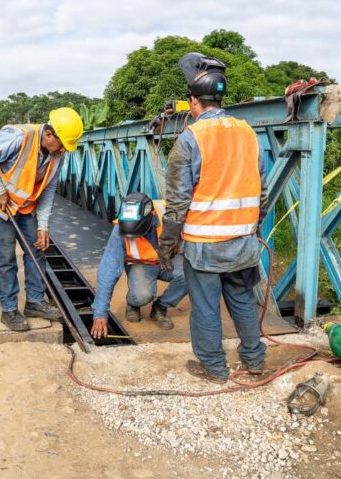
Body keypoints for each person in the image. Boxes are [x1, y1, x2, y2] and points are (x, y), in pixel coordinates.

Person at [158, 52, 269, 384]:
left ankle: (215, 368)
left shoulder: (189, 140)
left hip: (204, 246)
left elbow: (177, 204)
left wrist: (166, 245)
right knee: (243, 301)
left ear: (194, 102)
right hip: (243, 244)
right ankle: (254, 360)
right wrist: (252, 227)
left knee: (206, 308)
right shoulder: (249, 133)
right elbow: (261, 190)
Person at [0, 107, 84, 332]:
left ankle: (35, 301)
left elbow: (49, 188)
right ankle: (9, 309)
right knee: (5, 258)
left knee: (37, 250)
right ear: (49, 134)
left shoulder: (57, 154)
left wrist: (43, 226)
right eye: (61, 143)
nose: (63, 149)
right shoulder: (19, 136)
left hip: (23, 207)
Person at [90, 192, 187, 338]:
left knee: (191, 274)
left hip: (168, 259)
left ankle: (160, 307)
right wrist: (100, 312)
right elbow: (108, 270)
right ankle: (134, 304)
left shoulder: (170, 213)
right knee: (142, 295)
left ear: (152, 215)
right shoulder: (120, 229)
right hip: (141, 264)